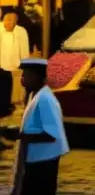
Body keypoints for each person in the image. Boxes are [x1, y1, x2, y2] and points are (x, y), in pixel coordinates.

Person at [8, 58, 69, 195]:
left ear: (37, 76)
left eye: (26, 75)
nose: (22, 78)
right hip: (36, 159)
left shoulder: (45, 99)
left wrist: (19, 135)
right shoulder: (34, 96)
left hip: (43, 162)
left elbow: (51, 135)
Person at [0, 13, 29, 116]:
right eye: (8, 19)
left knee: (17, 90)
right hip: (1, 67)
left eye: (13, 20)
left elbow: (24, 50)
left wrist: (24, 64)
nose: (11, 22)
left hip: (16, 67)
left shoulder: (21, 31)